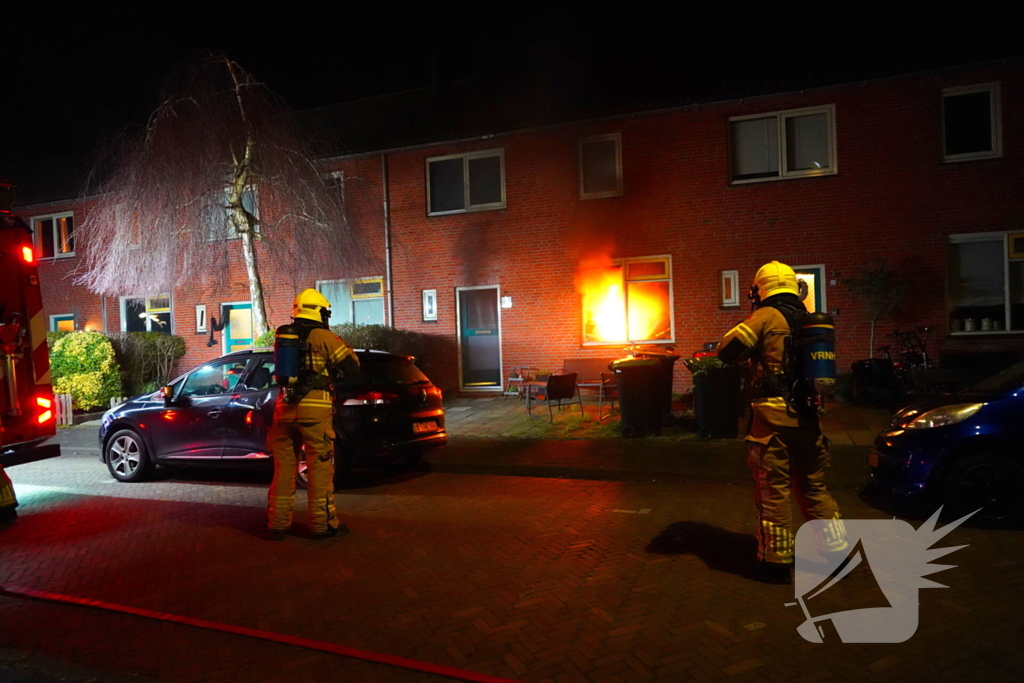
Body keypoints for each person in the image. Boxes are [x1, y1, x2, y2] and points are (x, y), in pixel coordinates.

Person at [717, 261, 847, 582]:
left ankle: (775, 563)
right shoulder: (809, 321)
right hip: (809, 418)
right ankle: (837, 557)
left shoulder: (765, 317)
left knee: (773, 491)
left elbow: (726, 351)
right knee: (814, 487)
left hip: (772, 422)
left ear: (760, 290)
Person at [266, 289, 359, 541]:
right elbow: (351, 366)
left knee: (284, 469)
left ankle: (277, 524)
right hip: (314, 412)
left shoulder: (283, 336)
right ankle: (323, 525)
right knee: (319, 468)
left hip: (284, 410)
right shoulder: (322, 336)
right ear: (319, 311)